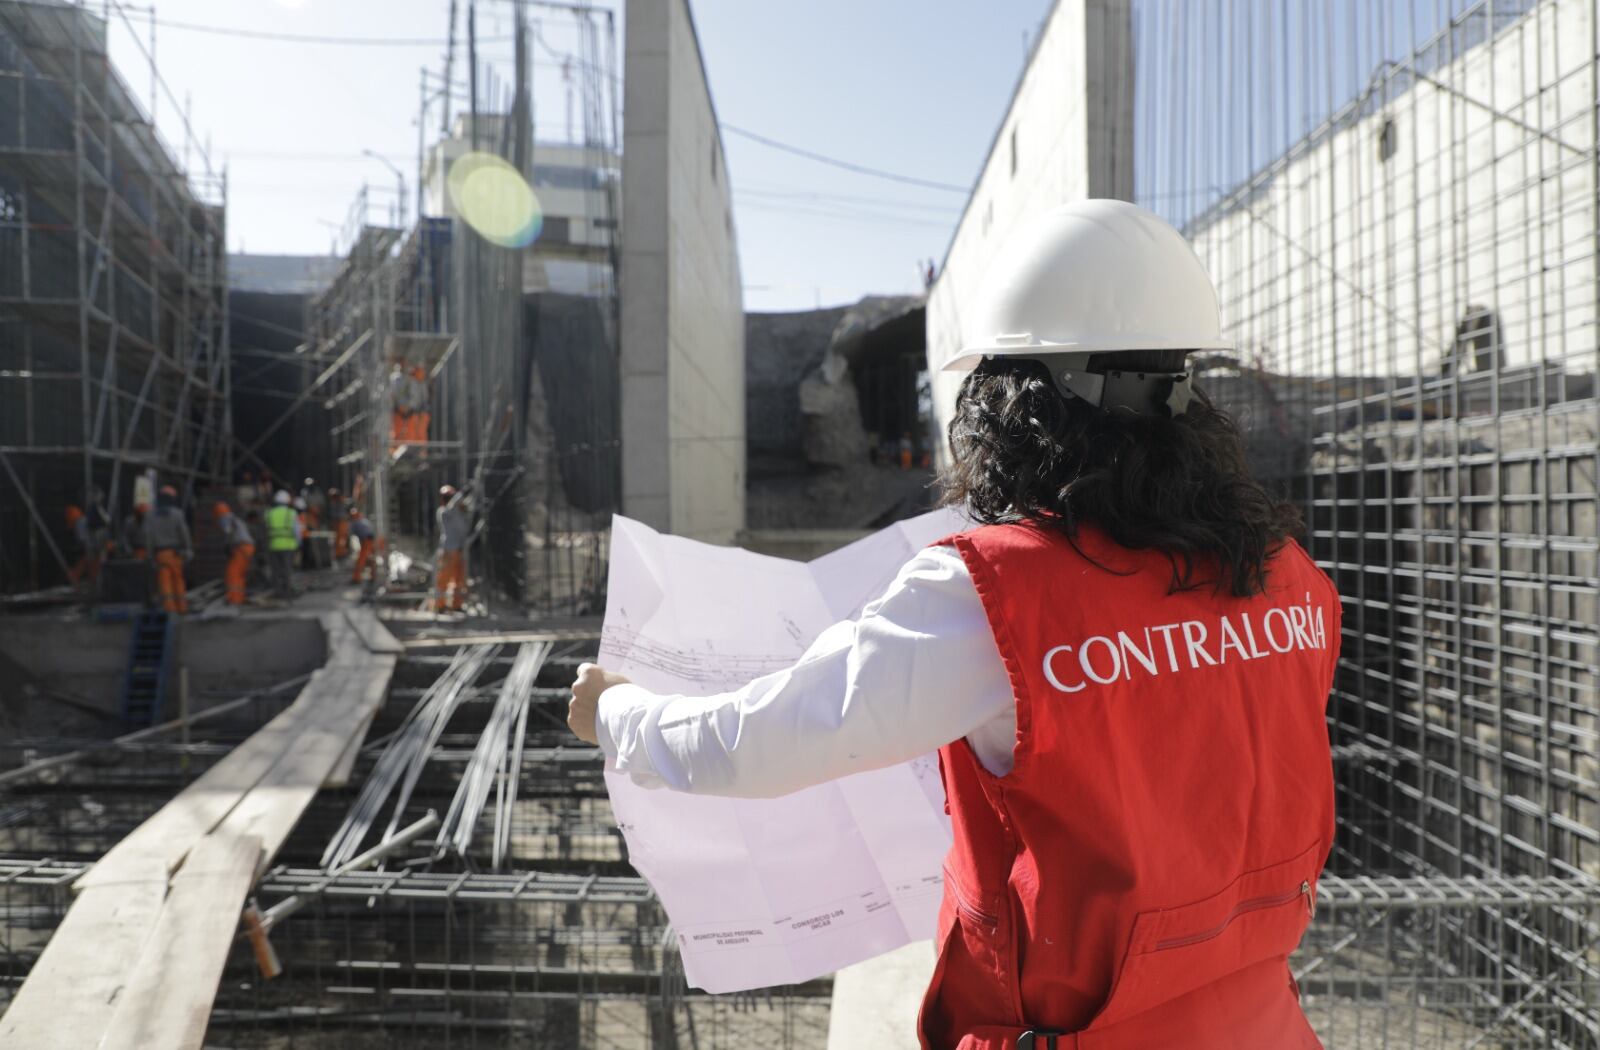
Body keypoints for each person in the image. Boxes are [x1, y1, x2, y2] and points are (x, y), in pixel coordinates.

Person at [566, 201, 1341, 1048]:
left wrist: (615, 712)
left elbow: (744, 744)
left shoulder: (994, 595)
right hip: (1262, 1023)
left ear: (1013, 404)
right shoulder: (1291, 583)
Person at [144, 485, 193, 614]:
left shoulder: (150, 515)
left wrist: (149, 555)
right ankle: (182, 608)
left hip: (160, 554)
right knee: (178, 580)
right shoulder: (177, 514)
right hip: (175, 553)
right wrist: (188, 549)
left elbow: (149, 537)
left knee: (164, 582)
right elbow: (184, 533)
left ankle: (169, 609)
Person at [433, 484, 470, 612]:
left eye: (450, 496)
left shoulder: (459, 511)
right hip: (449, 549)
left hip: (460, 549)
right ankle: (440, 605)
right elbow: (452, 506)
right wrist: (462, 493)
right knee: (444, 578)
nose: (448, 499)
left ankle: (456, 604)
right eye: (446, 497)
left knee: (459, 579)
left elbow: (463, 507)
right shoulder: (443, 511)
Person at [214, 501, 254, 606]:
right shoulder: (235, 518)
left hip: (241, 548)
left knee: (232, 573)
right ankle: (239, 597)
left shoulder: (225, 519)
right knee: (240, 574)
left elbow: (228, 532)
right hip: (248, 547)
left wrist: (227, 546)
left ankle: (234, 599)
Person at [264, 489, 300, 600]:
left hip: (273, 545)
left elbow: (265, 530)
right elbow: (296, 531)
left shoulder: (269, 513)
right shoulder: (291, 513)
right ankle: (288, 592)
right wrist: (299, 544)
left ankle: (277, 591)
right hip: (288, 546)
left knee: (275, 570)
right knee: (287, 569)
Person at [349, 507, 377, 586]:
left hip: (367, 541)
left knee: (361, 560)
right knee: (370, 558)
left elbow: (351, 534)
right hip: (369, 539)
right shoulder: (363, 521)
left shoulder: (355, 523)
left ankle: (357, 578)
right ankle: (372, 576)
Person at [327, 487, 351, 561]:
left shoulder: (343, 501)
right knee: (336, 539)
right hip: (336, 522)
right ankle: (338, 554)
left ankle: (343, 553)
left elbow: (349, 505)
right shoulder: (332, 503)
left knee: (343, 539)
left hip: (343, 521)